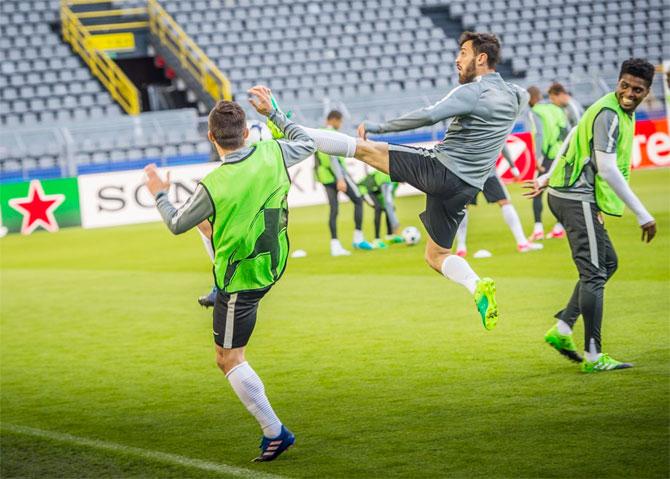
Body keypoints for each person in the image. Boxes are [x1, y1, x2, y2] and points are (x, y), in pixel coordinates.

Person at [277, 32, 529, 329]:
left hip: (442, 170)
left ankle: (285, 124)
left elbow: (429, 115)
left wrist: (380, 126)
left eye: (463, 53)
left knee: (364, 149)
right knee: (436, 255)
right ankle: (477, 286)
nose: (457, 59)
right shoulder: (516, 95)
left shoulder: (473, 92)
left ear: (481, 58)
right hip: (466, 188)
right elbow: (515, 102)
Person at [144, 87, 316, 461]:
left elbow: (175, 222)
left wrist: (159, 192)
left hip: (243, 280)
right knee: (207, 225)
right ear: (247, 133)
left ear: (211, 138)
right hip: (274, 261)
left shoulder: (213, 183)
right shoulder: (274, 152)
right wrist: (274, 113)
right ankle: (214, 283)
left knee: (228, 359)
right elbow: (307, 142)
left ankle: (275, 431)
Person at [524, 59, 657, 373]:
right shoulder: (610, 113)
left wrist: (546, 177)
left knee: (607, 264)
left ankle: (562, 329)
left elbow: (572, 136)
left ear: (646, 91)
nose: (628, 93)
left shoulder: (611, 109)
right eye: (624, 85)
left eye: (637, 89)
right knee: (595, 273)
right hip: (575, 197)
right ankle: (594, 355)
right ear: (618, 82)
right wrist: (643, 214)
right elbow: (608, 169)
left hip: (570, 194)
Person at [454, 144, 543, 256]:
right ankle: (522, 243)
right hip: (487, 172)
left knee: (463, 207)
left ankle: (461, 247)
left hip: (467, 173)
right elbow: (502, 144)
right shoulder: (491, 127)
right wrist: (512, 166)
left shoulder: (462, 127)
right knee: (505, 202)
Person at [314, 110, 374, 256]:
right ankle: (358, 239)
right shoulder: (331, 133)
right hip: (337, 175)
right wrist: (340, 178)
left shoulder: (317, 133)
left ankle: (335, 245)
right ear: (334, 120)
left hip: (325, 176)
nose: (340, 125)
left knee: (334, 209)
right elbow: (333, 157)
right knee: (358, 200)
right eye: (340, 122)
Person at [527, 86, 568, 241]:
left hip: (548, 156)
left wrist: (538, 158)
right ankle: (559, 227)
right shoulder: (555, 109)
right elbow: (566, 130)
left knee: (537, 190)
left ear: (531, 98)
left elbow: (538, 134)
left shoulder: (535, 111)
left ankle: (538, 228)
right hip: (562, 154)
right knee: (560, 190)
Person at [358, 169, 403, 248]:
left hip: (374, 192)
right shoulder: (387, 179)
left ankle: (390, 236)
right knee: (378, 208)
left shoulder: (395, 182)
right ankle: (376, 240)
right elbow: (387, 200)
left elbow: (389, 198)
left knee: (389, 208)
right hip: (364, 190)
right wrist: (396, 224)